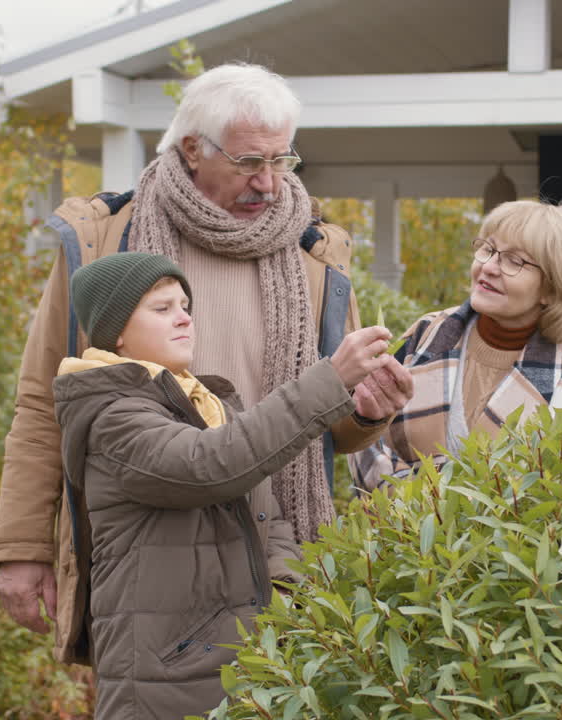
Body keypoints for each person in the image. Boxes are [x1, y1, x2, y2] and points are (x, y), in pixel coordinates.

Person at [0, 62, 414, 664]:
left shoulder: (316, 256)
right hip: (149, 556)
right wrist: (23, 547)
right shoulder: (106, 240)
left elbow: (323, 419)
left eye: (281, 161)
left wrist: (364, 414)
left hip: (281, 551)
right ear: (192, 149)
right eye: (248, 163)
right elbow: (42, 401)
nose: (268, 183)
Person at [55, 253, 390, 719]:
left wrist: (288, 602)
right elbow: (212, 466)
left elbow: (263, 517)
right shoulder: (113, 417)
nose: (184, 317)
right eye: (162, 307)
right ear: (117, 333)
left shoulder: (205, 405)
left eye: (185, 305)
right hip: (163, 678)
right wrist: (331, 378)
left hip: (234, 664)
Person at [350, 200, 562, 492]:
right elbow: (366, 434)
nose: (490, 267)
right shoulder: (426, 335)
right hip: (404, 533)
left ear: (553, 289)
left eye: (515, 261)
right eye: (489, 250)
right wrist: (418, 506)